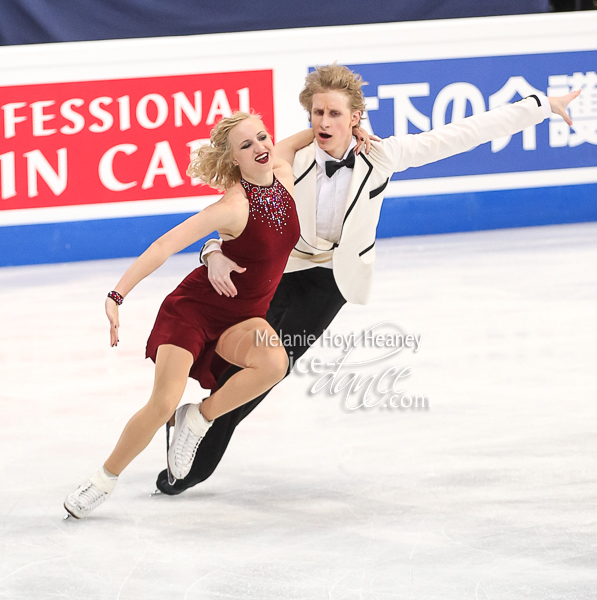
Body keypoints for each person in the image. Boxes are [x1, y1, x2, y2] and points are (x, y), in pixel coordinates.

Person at [155, 64, 581, 496]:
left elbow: (460, 134)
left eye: (335, 114)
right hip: (280, 269)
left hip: (330, 280)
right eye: (318, 112)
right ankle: (190, 427)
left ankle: (197, 447)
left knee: (273, 368)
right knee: (238, 363)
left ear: (355, 117)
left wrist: (542, 106)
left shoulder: (381, 156)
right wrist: (211, 253)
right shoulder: (289, 160)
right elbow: (230, 211)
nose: (324, 122)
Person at [64, 112, 314, 519]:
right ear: (233, 159)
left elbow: (306, 137)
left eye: (262, 137)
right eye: (246, 146)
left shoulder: (283, 171)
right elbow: (165, 244)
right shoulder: (232, 206)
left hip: (244, 315)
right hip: (194, 311)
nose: (260, 148)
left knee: (274, 362)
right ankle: (103, 480)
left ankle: (199, 418)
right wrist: (116, 295)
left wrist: (347, 128)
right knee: (163, 402)